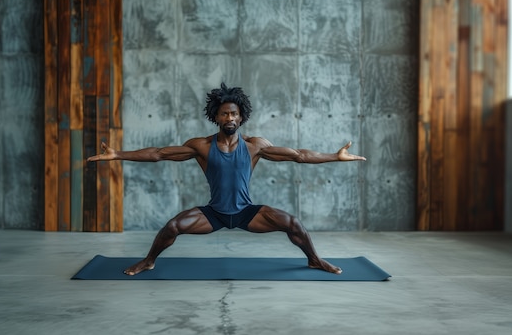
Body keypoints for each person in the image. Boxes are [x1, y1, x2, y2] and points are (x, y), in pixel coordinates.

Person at [87, 83, 366, 275]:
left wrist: (334, 156)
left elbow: (299, 155)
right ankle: (148, 261)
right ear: (216, 117)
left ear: (241, 117)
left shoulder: (256, 145)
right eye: (224, 113)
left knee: (293, 223)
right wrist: (116, 155)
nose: (229, 117)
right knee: (172, 226)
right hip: (215, 214)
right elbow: (159, 154)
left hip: (247, 212)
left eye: (234, 113)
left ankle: (315, 261)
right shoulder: (201, 146)